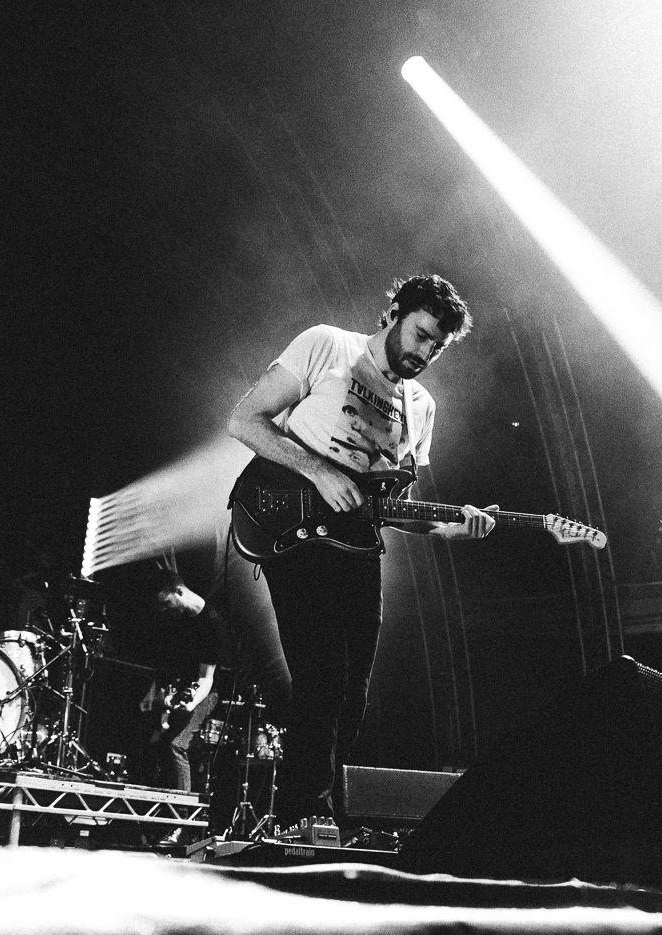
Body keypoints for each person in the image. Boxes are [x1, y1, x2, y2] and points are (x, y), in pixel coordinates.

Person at [227, 274, 495, 829]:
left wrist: (452, 527)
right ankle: (305, 815)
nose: (424, 353)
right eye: (420, 335)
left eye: (436, 347)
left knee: (354, 693)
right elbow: (244, 420)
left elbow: (392, 508)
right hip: (289, 524)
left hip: (356, 543)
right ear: (394, 312)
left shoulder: (421, 408)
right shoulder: (327, 344)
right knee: (321, 671)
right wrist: (318, 471)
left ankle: (312, 808)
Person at [135, 568, 224, 793]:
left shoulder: (211, 623)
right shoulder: (175, 619)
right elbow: (167, 661)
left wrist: (193, 703)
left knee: (176, 745)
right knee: (154, 743)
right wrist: (152, 692)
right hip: (179, 687)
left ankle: (182, 818)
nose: (164, 610)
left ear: (178, 591)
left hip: (206, 690)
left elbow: (206, 679)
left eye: (166, 604)